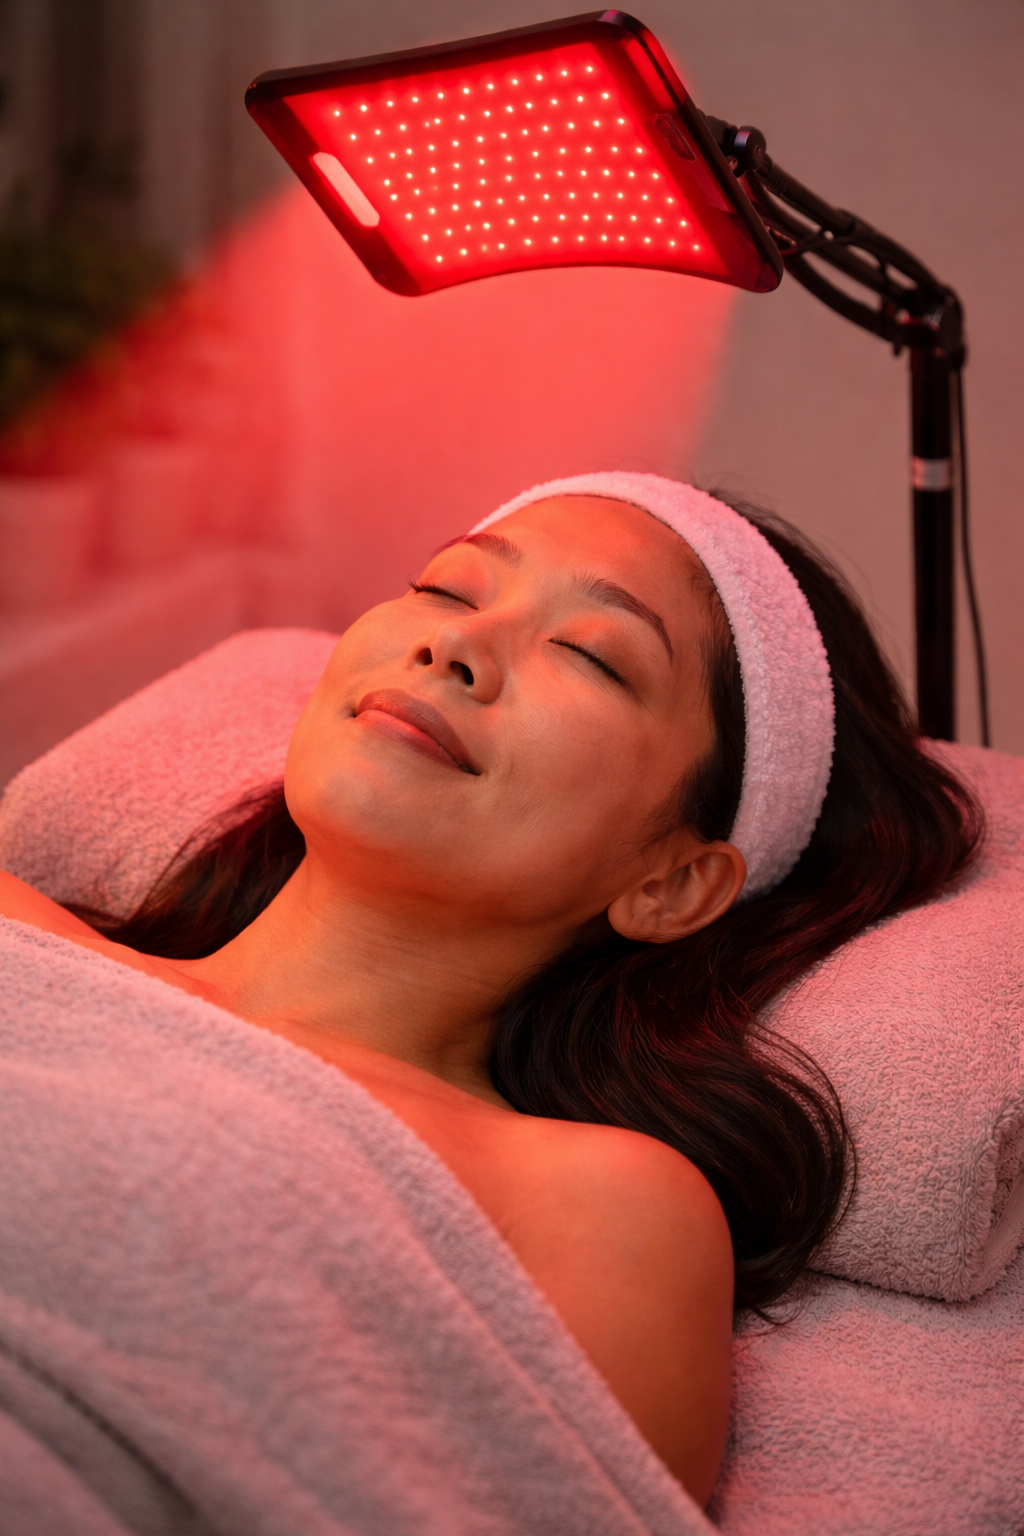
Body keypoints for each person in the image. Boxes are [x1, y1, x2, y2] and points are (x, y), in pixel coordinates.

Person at [0, 473, 979, 1508]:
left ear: (672, 882)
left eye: (592, 655)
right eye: (448, 590)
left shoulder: (597, 1202)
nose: (454, 647)